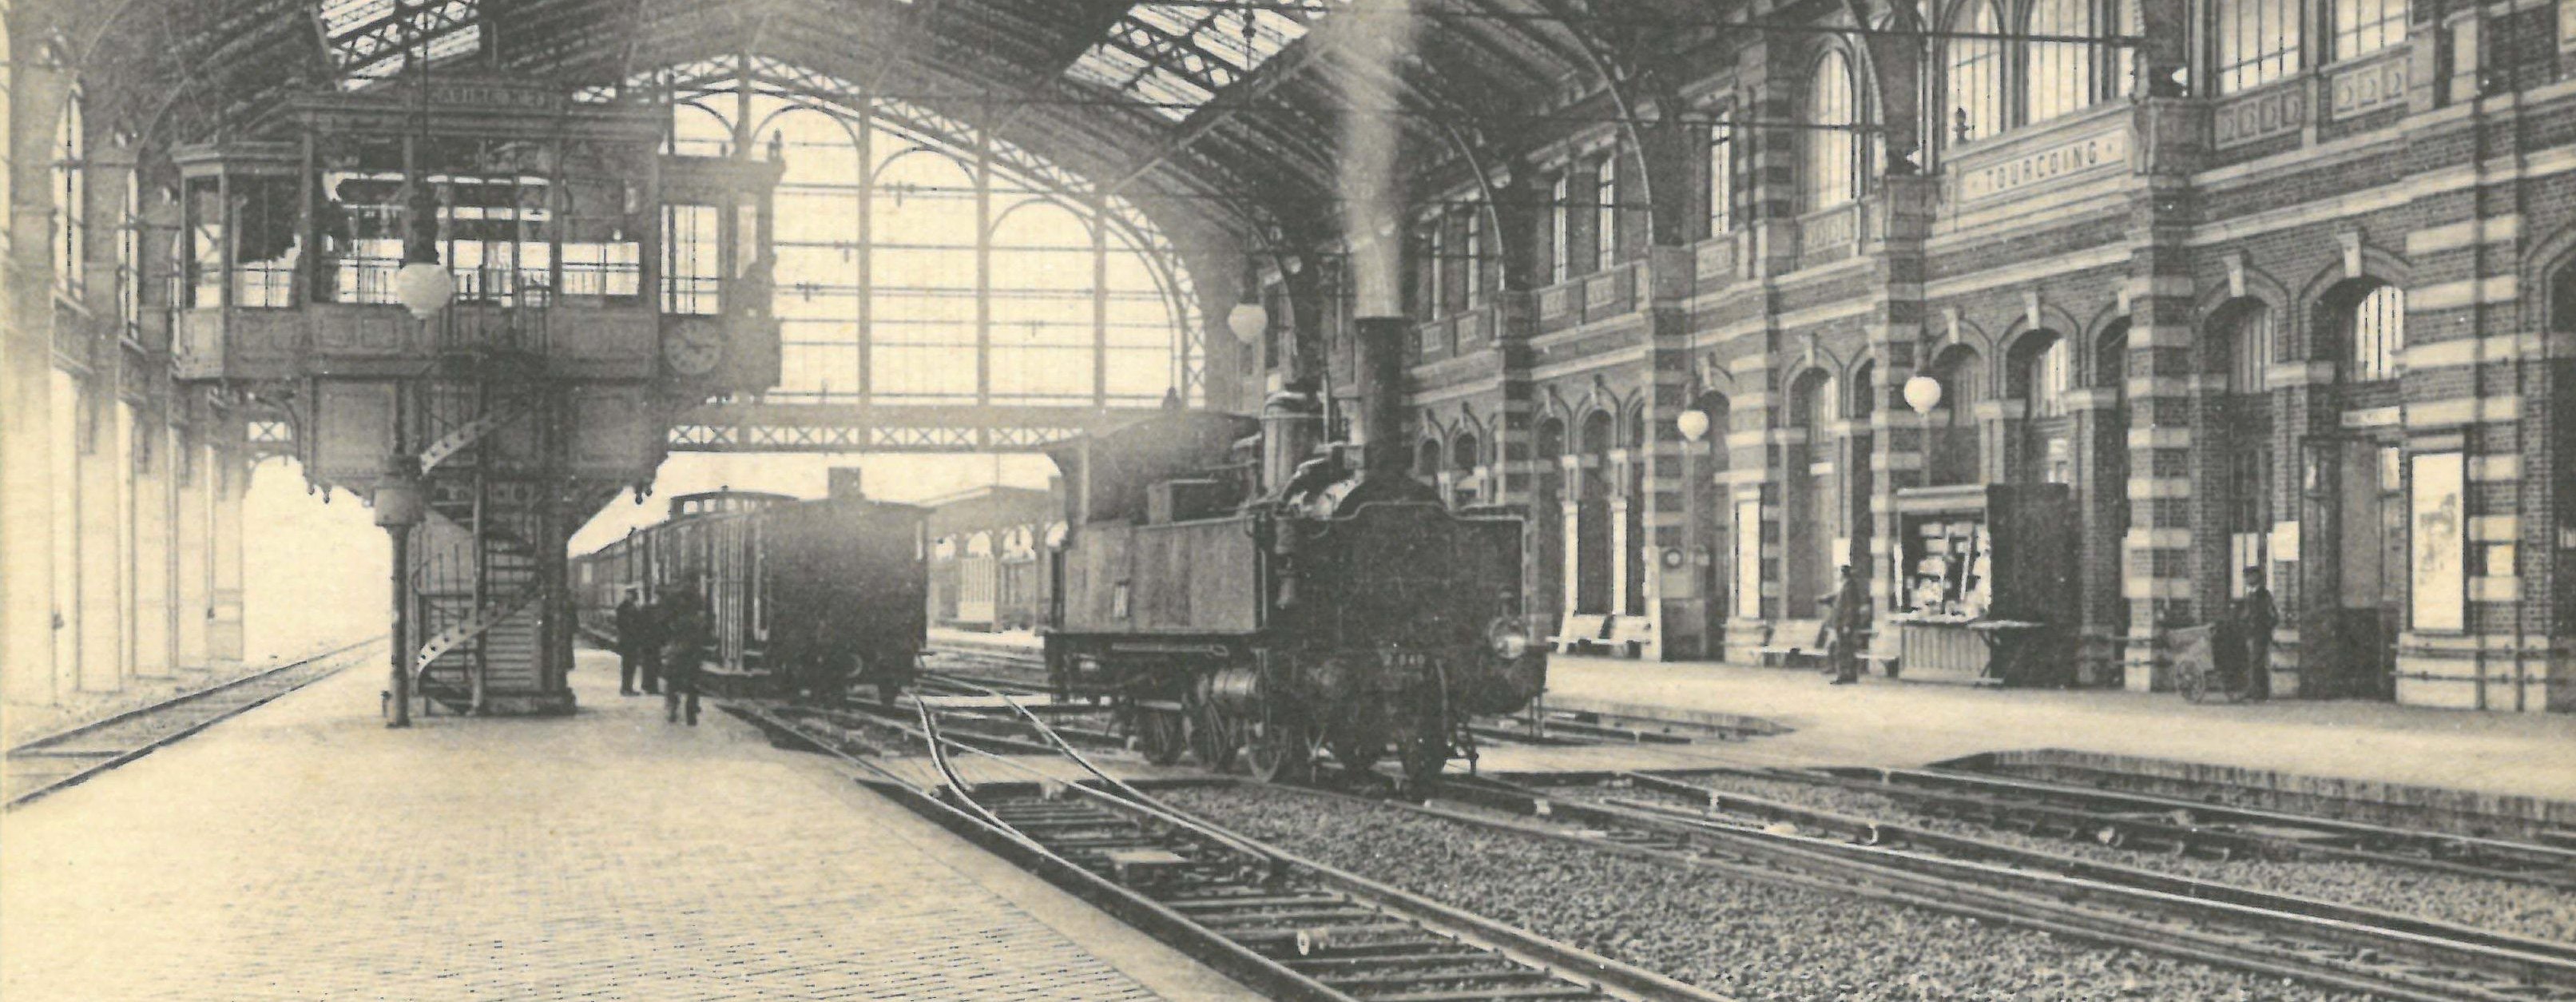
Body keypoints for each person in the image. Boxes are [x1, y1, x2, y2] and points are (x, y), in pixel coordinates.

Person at [661, 585, 708, 726]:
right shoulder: (698, 620)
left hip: (678, 653)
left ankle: (673, 709)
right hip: (693, 655)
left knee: (673, 683)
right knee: (693, 684)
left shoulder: (677, 619)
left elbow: (669, 632)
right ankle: (691, 715)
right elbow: (704, 637)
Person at [1824, 564, 1871, 686]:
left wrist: (1847, 624)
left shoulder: (1849, 587)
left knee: (1843, 650)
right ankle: (1849, 674)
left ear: (1843, 574)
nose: (1837, 576)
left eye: (1838, 573)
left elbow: (1851, 607)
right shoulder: (1847, 586)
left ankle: (1844, 675)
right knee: (1846, 650)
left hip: (1845, 625)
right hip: (1843, 624)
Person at [2237, 567, 2276, 701]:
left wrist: (2265, 629)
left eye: (2248, 577)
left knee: (2257, 662)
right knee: (2255, 662)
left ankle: (2258, 692)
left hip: (2260, 634)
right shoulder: (2250, 596)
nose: (2246, 580)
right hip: (2251, 634)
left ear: (2255, 578)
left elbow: (2273, 616)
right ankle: (2258, 692)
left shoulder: (2264, 595)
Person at [613, 590, 645, 696]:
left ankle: (628, 687)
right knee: (628, 665)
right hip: (627, 640)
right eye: (631, 595)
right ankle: (626, 688)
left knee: (631, 665)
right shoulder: (623, 608)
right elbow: (625, 624)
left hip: (631, 640)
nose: (633, 597)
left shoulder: (629, 607)